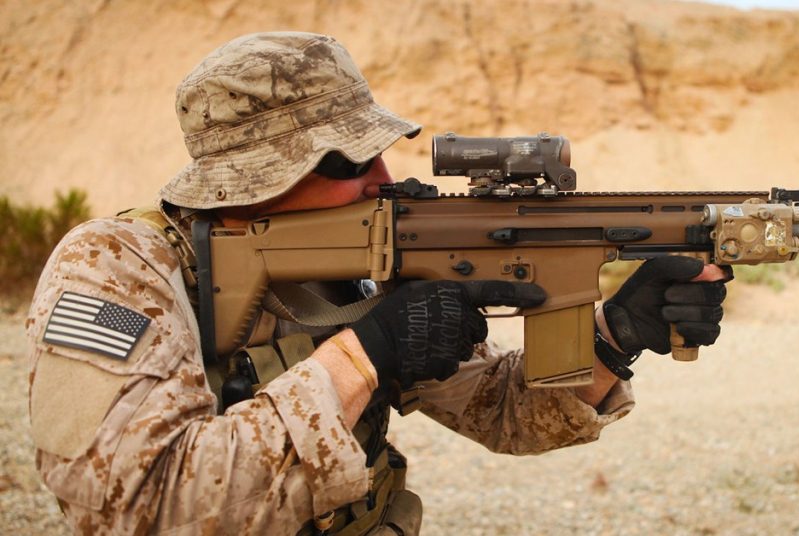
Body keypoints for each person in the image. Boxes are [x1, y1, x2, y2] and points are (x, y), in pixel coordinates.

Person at [25, 32, 729, 535]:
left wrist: (613, 338)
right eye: (349, 163)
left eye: (380, 154)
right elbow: (135, 509)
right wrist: (364, 357)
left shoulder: (363, 262)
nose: (384, 181)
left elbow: (503, 415)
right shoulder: (118, 269)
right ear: (253, 180)